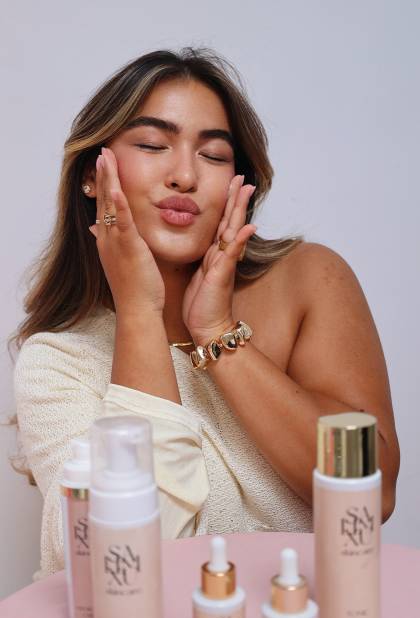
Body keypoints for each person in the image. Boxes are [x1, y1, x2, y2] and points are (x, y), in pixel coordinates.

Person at [11, 47, 400, 581]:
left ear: (240, 182)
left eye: (214, 155)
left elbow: (373, 494)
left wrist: (217, 334)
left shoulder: (309, 281)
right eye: (152, 145)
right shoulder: (57, 359)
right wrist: (140, 311)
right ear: (91, 176)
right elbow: (124, 572)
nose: (185, 176)